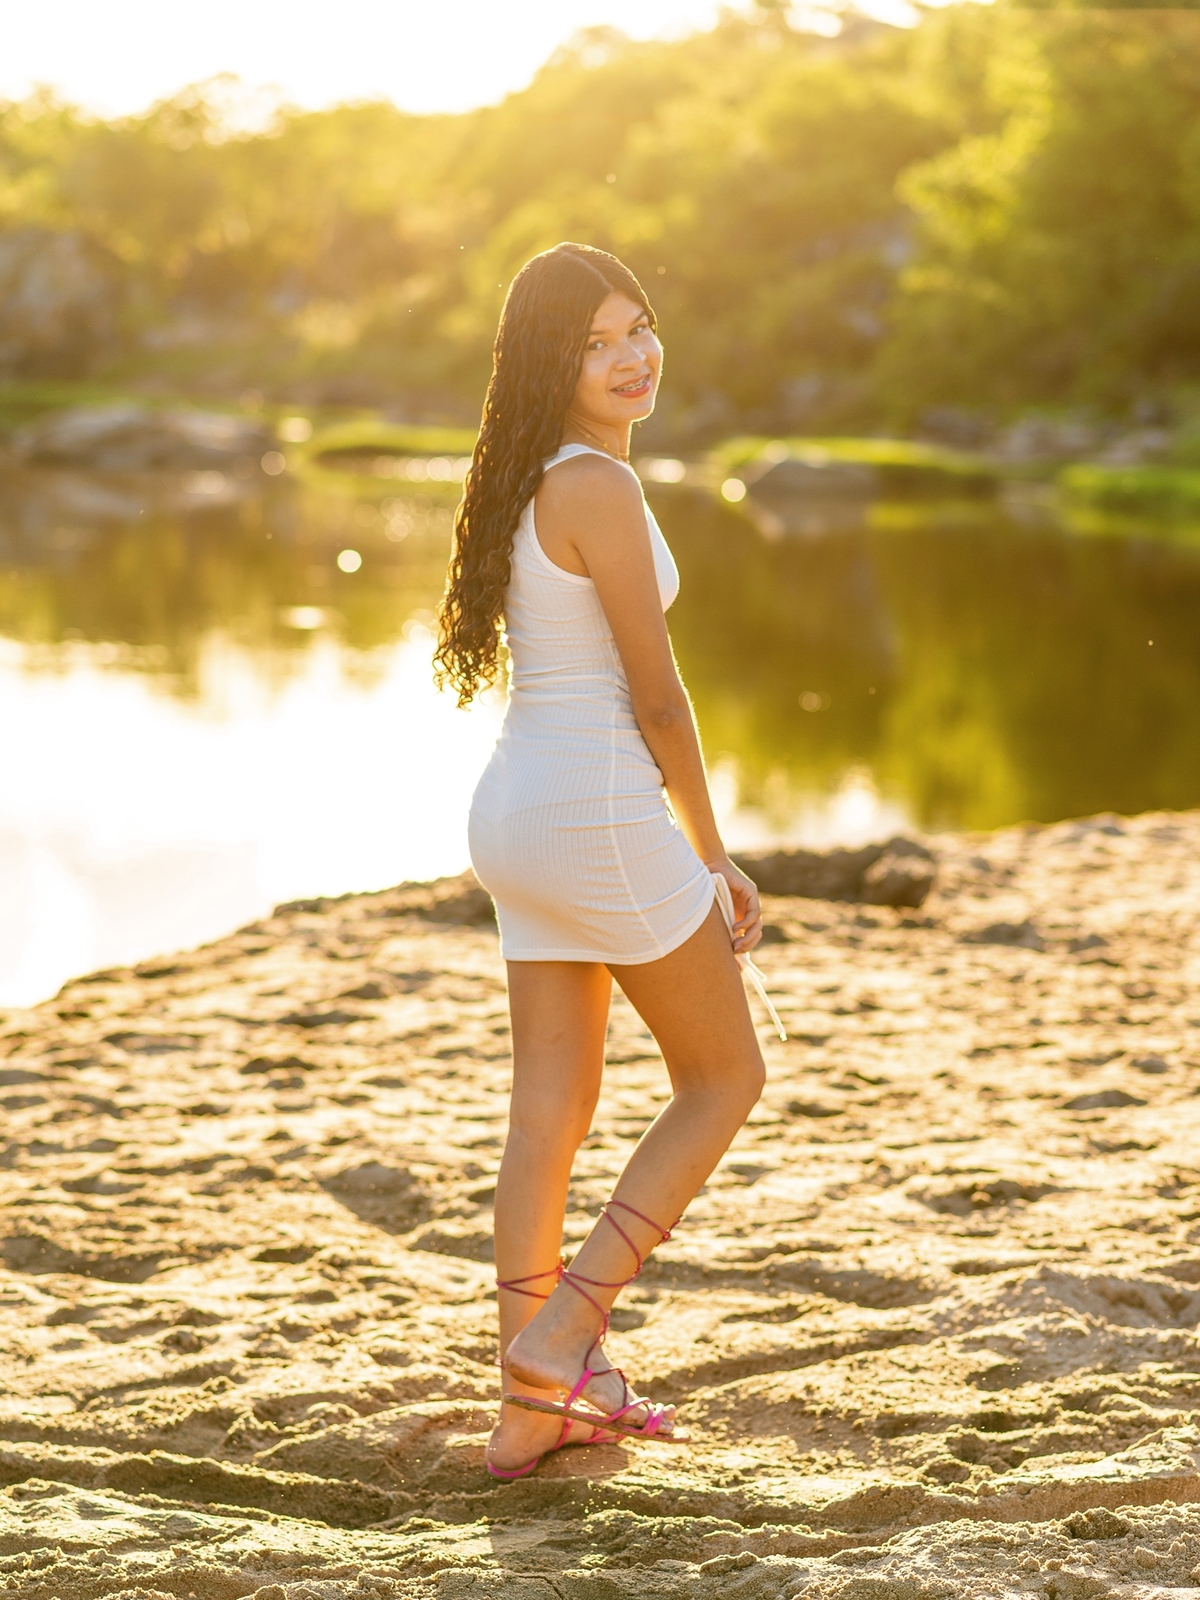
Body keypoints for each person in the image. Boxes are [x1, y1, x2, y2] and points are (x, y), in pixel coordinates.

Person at [434, 242, 766, 1480]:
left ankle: (530, 1406)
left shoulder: (527, 475)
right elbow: (659, 696)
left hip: (517, 814)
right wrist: (714, 851)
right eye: (595, 342)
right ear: (548, 363)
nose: (631, 356)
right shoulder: (601, 489)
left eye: (639, 328)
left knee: (548, 1112)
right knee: (727, 1073)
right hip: (601, 812)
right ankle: (567, 1332)